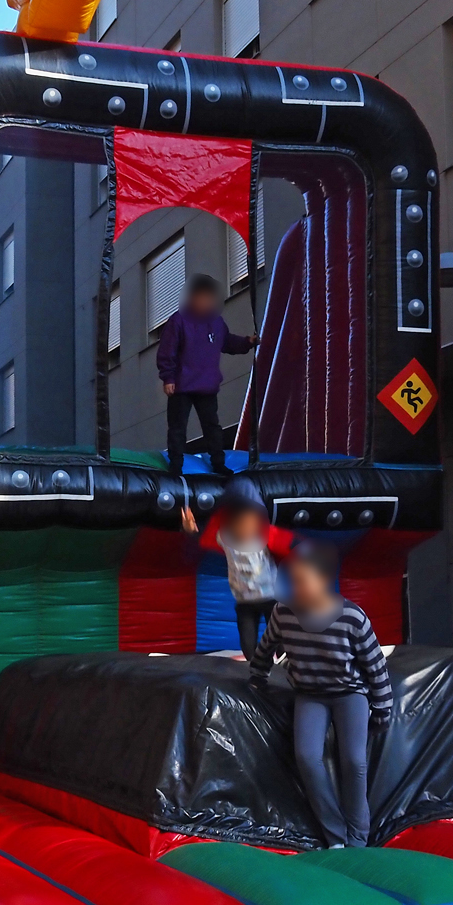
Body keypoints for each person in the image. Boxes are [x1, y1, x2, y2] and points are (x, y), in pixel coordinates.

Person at [249, 540, 393, 848]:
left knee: (353, 761)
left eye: (303, 581)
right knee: (306, 756)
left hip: (349, 693)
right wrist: (257, 676)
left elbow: (376, 665)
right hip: (310, 693)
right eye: (292, 581)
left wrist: (382, 708)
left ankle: (358, 837)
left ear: (324, 580)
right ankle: (335, 835)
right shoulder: (283, 612)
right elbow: (266, 647)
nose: (296, 588)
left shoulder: (352, 618)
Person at [156, 273, 258, 477]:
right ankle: (176, 465)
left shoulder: (216, 322)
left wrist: (247, 342)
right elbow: (167, 351)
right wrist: (168, 378)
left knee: (212, 427)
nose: (205, 302)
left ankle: (218, 463)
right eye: (202, 297)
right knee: (178, 428)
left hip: (207, 385)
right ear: (193, 297)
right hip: (182, 385)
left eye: (209, 297)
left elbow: (227, 342)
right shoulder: (178, 321)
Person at [181, 477, 292, 660]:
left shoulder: (266, 536)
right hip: (245, 601)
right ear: (230, 523)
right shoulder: (225, 539)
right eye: (240, 524)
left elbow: (291, 545)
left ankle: (284, 661)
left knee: (280, 638)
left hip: (271, 598)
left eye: (250, 523)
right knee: (248, 643)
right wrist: (192, 531)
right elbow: (203, 540)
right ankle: (254, 666)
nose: (245, 529)